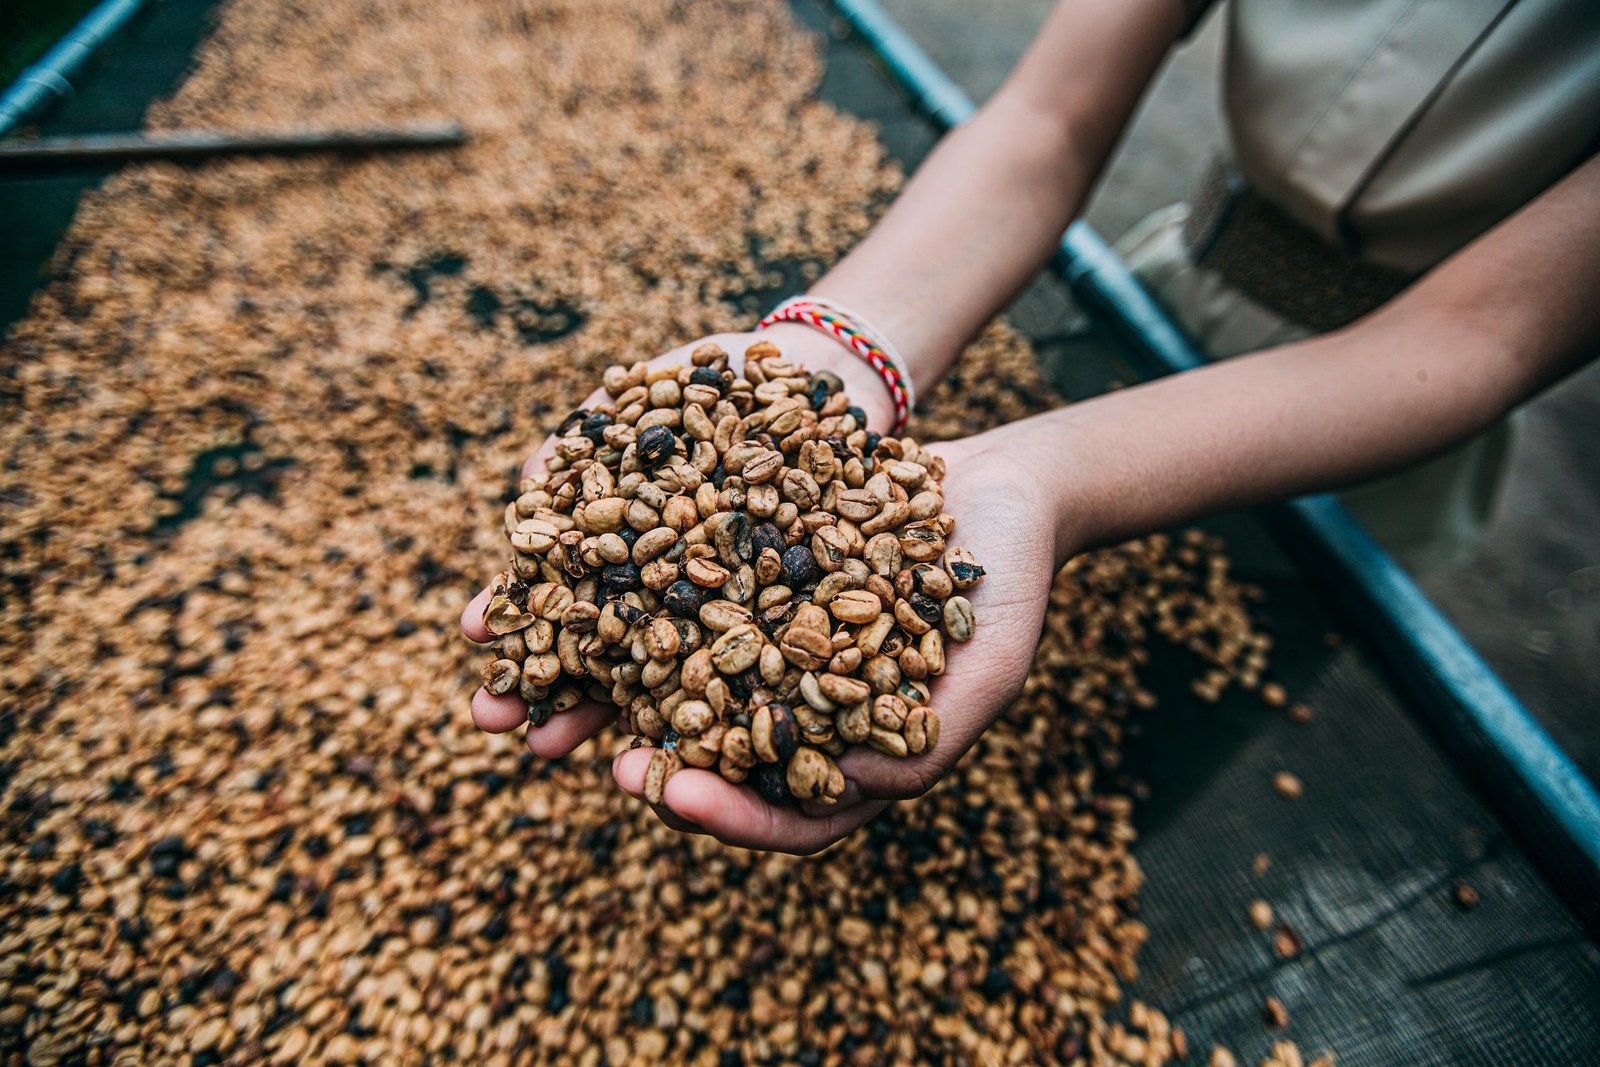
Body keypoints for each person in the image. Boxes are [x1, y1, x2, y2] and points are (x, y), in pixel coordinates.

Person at [462, 0, 1600, 853]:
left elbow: (1481, 338)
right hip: (1171, 283)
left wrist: (1041, 472)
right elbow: (1048, 117)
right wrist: (838, 338)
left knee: (1156, 726)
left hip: (1388, 425)